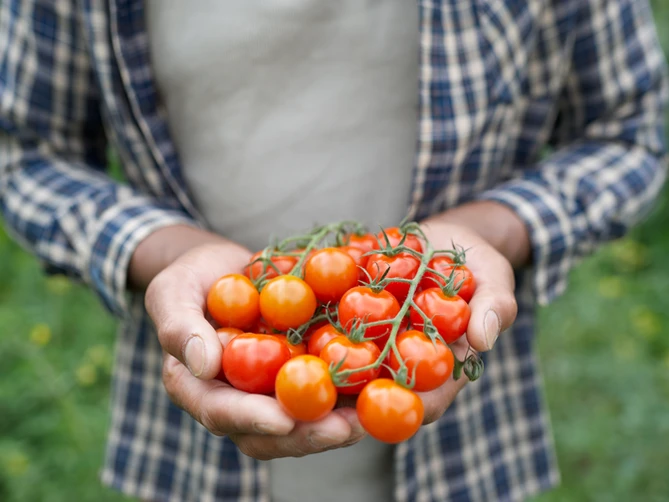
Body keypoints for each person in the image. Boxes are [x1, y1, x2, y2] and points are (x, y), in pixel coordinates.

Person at [1, 0, 667, 501]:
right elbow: (24, 150)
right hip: (189, 443)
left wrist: (491, 229)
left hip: (467, 450)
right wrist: (164, 250)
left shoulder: (390, 313)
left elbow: (633, 127)